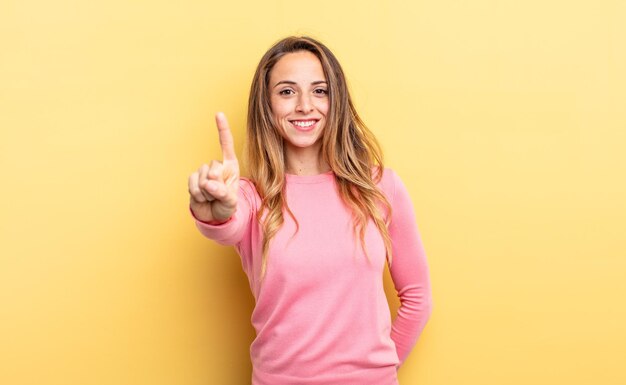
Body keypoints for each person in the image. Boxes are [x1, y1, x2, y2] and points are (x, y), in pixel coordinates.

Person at [188, 36, 432, 385]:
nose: (305, 105)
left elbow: (418, 297)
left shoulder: (381, 188)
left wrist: (376, 374)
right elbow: (226, 223)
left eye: (320, 91)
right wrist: (211, 209)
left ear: (337, 101)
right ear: (267, 105)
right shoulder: (250, 196)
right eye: (287, 92)